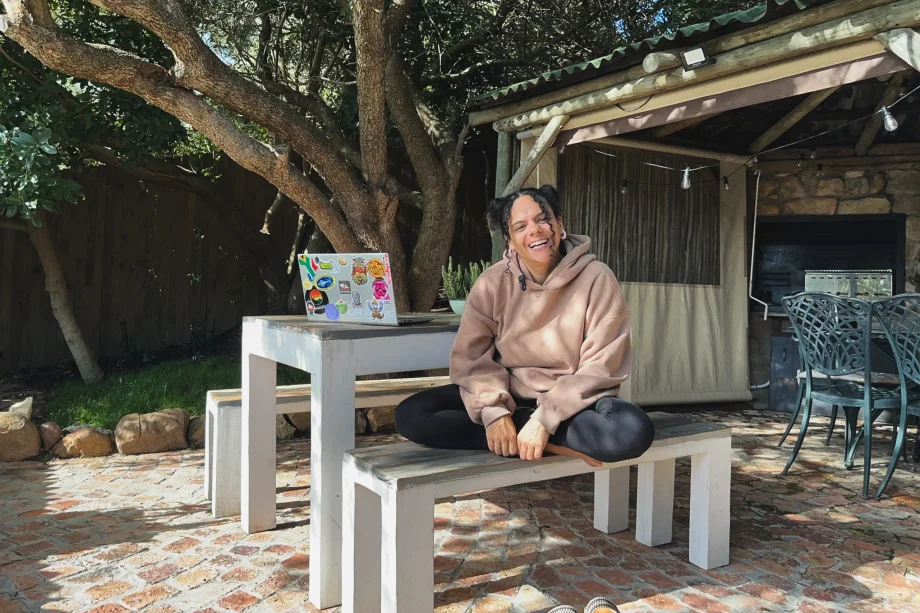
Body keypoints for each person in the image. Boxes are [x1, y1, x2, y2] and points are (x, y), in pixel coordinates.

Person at [395, 184, 654, 466]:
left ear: (560, 224)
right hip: (511, 396)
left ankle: (529, 435)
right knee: (412, 414)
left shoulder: (597, 278)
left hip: (572, 404)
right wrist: (494, 412)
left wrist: (545, 419)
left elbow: (602, 364)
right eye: (520, 226)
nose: (535, 230)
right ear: (509, 240)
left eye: (543, 219)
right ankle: (541, 438)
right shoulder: (492, 283)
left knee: (632, 431)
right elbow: (471, 359)